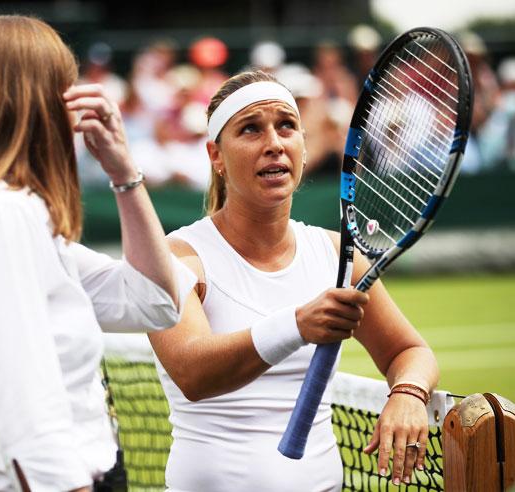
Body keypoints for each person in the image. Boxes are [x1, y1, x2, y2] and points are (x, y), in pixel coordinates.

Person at [0, 15, 195, 492]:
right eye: (64, 87)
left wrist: (123, 171)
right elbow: (27, 419)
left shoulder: (10, 214)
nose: (73, 105)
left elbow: (156, 301)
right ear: (32, 102)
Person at [148, 70, 439, 491]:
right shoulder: (178, 257)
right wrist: (298, 325)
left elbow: (409, 351)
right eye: (250, 129)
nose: (274, 144)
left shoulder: (338, 256)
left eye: (286, 126)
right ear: (216, 156)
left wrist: (408, 394)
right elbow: (192, 373)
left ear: (303, 149)